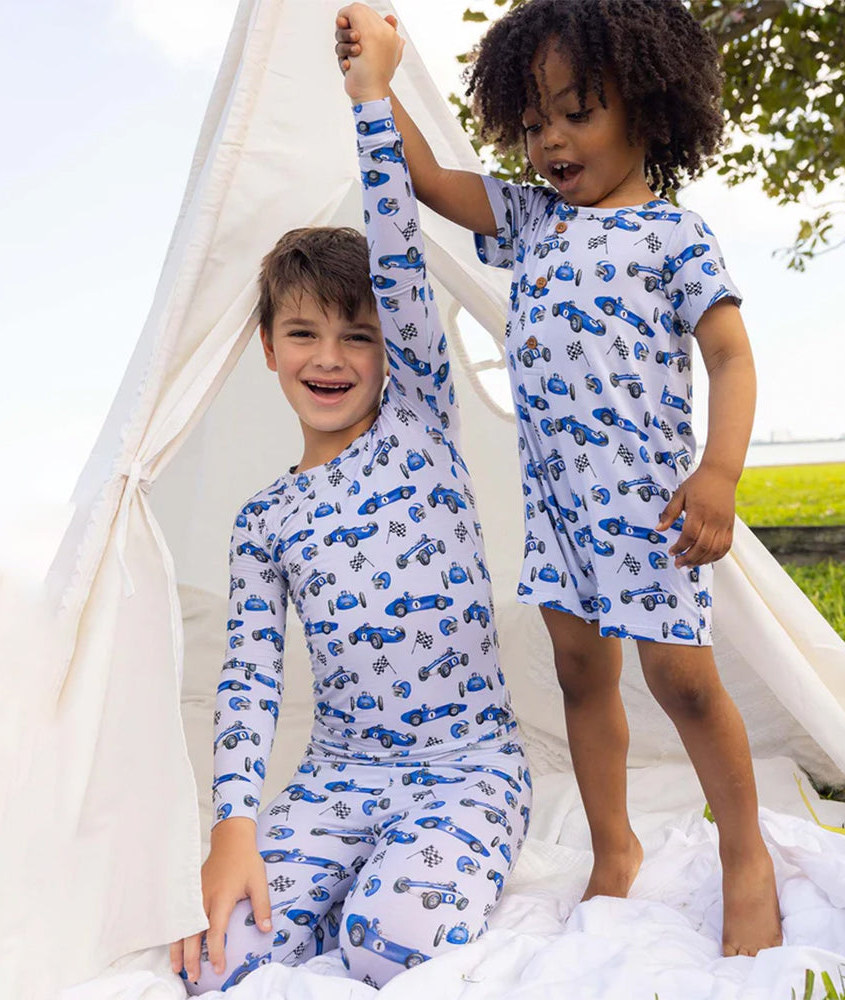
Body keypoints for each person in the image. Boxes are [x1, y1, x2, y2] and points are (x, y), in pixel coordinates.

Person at [334, 0, 781, 957]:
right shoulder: (533, 219)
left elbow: (732, 359)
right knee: (583, 674)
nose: (550, 141)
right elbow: (426, 181)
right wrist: (378, 75)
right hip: (558, 510)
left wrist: (720, 475)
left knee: (684, 683)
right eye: (533, 122)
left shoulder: (676, 237)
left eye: (577, 111)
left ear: (648, 111)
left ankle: (745, 854)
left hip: (650, 508)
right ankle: (612, 845)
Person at [170, 23, 530, 992]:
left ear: (391, 349)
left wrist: (371, 99)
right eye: (303, 333)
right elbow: (246, 682)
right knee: (222, 963)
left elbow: (400, 255)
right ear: (266, 346)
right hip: (334, 778)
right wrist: (230, 833)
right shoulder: (265, 520)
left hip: (466, 767)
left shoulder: (418, 420)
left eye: (355, 336)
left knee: (390, 948)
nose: (329, 357)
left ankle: (401, 882)